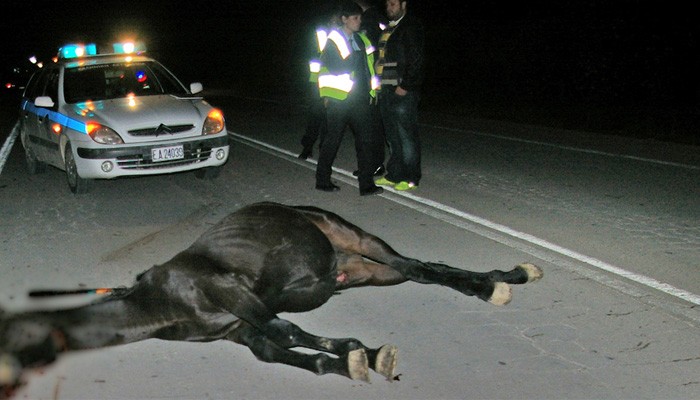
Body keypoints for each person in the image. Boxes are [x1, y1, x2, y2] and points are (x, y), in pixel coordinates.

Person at [315, 0, 383, 196]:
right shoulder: (333, 40)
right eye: (355, 18)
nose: (359, 21)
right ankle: (322, 180)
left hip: (361, 98)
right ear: (344, 19)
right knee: (332, 140)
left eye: (360, 17)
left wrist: (374, 91)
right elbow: (337, 67)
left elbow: (370, 67)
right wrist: (354, 57)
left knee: (365, 142)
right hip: (339, 99)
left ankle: (366, 184)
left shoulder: (363, 40)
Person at [374, 0, 425, 191]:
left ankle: (411, 177)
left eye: (393, 4)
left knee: (406, 135)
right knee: (392, 136)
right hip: (386, 89)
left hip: (402, 89)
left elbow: (416, 58)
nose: (389, 7)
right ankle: (395, 174)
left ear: (404, 4)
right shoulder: (388, 27)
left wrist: (406, 85)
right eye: (387, 4)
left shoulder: (410, 26)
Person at [298, 11, 339, 160]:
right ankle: (307, 147)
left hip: (334, 84)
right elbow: (311, 55)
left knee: (329, 119)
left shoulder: (343, 36)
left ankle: (324, 150)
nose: (336, 23)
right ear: (329, 21)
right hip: (317, 82)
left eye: (338, 21)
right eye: (334, 21)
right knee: (315, 116)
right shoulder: (320, 34)